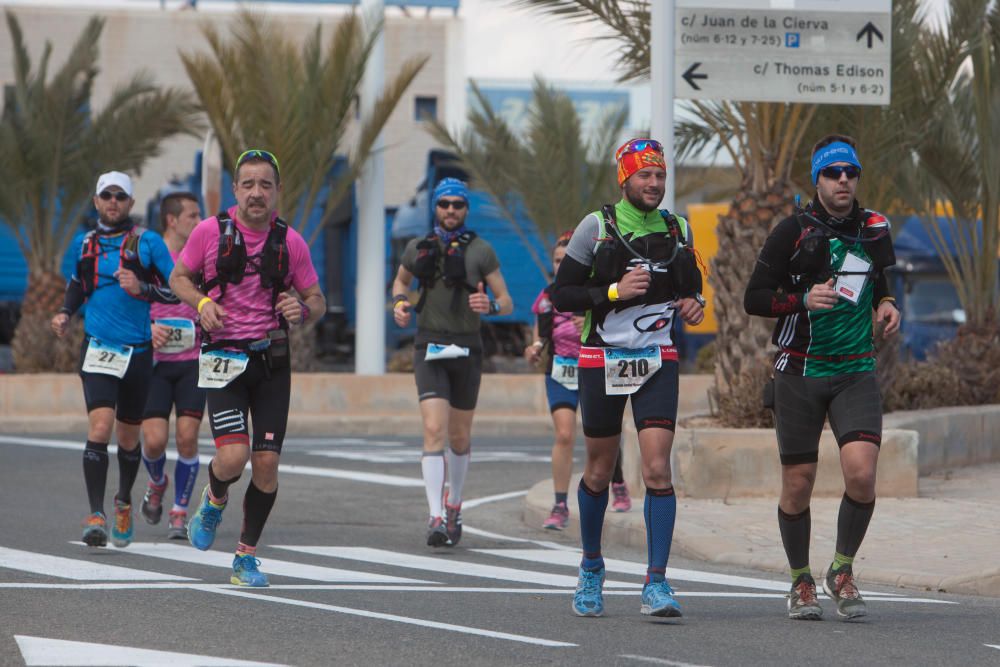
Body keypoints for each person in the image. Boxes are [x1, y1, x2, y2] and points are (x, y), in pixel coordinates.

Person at [744, 134, 900, 620]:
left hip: (855, 369)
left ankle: (841, 570)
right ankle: (799, 580)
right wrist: (801, 300)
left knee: (862, 475)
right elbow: (754, 298)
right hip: (800, 371)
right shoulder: (791, 230)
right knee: (799, 484)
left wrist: (886, 303)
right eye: (834, 173)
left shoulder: (874, 228)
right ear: (818, 180)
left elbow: (882, 278)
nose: (844, 181)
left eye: (851, 173)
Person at [551, 139, 705, 618]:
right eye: (645, 177)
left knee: (658, 469)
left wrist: (694, 306)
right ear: (625, 179)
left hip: (658, 357)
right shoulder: (597, 228)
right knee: (599, 469)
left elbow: (692, 290)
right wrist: (615, 290)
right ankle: (592, 567)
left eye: (659, 177)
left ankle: (656, 583)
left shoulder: (678, 227)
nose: (654, 185)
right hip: (602, 358)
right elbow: (563, 296)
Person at [169, 149, 325, 587]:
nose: (257, 193)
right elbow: (178, 278)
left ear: (276, 192)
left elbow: (317, 298)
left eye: (266, 185)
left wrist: (302, 308)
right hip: (223, 359)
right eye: (249, 184)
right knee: (233, 456)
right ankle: (214, 497)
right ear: (236, 189)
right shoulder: (207, 233)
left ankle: (245, 558)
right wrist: (201, 302)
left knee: (267, 465)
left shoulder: (290, 242)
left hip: (272, 360)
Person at [51, 171, 178, 549]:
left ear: (131, 204)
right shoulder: (85, 243)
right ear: (95, 201)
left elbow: (179, 289)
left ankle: (122, 500)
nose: (112, 202)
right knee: (100, 427)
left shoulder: (148, 243)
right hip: (98, 348)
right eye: (106, 195)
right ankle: (96, 514)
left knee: (127, 435)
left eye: (120, 196)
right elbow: (78, 284)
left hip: (138, 353)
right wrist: (64, 312)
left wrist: (143, 289)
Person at [391, 177, 513, 548]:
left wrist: (489, 306)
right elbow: (399, 283)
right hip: (429, 346)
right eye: (444, 204)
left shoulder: (481, 250)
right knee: (433, 430)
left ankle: (454, 502)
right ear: (436, 208)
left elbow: (506, 299)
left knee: (459, 437)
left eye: (457, 205)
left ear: (465, 209)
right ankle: (436, 516)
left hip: (467, 349)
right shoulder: (418, 247)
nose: (450, 211)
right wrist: (400, 304)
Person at [525, 233, 632, 531]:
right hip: (560, 371)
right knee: (564, 434)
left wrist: (587, 321)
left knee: (602, 435)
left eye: (567, 260)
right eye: (557, 261)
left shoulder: (596, 292)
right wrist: (533, 349)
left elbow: (617, 326)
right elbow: (539, 336)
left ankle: (618, 481)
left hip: (594, 367)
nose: (561, 266)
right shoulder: (547, 298)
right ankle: (560, 504)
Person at [138, 191, 206, 540]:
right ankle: (157, 481)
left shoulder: (203, 258)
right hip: (154, 364)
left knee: (187, 437)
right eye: (193, 216)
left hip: (193, 362)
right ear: (172, 220)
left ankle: (179, 510)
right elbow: (129, 303)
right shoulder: (149, 258)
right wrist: (147, 330)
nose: (199, 221)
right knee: (153, 441)